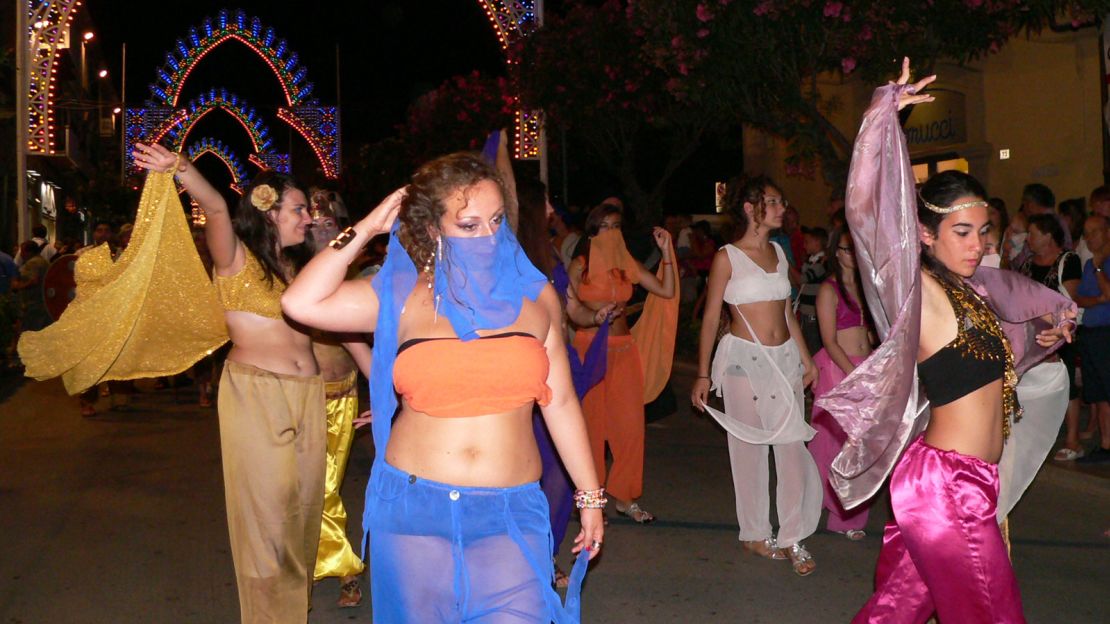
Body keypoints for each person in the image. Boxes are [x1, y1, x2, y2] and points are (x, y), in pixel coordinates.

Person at [281, 152, 604, 622]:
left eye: (496, 220)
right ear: (434, 229)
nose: (490, 237)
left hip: (511, 511)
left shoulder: (536, 297)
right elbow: (300, 302)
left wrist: (589, 495)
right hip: (415, 509)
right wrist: (368, 227)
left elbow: (562, 403)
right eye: (469, 226)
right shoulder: (401, 294)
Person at [818, 60, 1075, 623]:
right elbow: (865, 210)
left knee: (895, 610)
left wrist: (1043, 334)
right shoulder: (920, 293)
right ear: (925, 235)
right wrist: (883, 114)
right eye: (961, 232)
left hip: (969, 482)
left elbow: (996, 371)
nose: (975, 243)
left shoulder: (975, 296)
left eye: (983, 231)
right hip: (946, 486)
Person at [132, 143, 323, 623]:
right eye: (299, 209)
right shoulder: (233, 257)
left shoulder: (298, 268)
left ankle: (292, 614)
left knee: (303, 517)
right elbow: (216, 205)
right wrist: (181, 167)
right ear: (267, 208)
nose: (308, 217)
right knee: (267, 522)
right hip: (256, 393)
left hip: (309, 396)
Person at [691, 175, 821, 576]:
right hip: (742, 361)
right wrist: (700, 374)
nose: (782, 208)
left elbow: (787, 314)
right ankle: (754, 532)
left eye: (781, 201)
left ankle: (793, 535)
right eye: (773, 201)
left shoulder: (780, 254)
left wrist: (806, 359)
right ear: (750, 208)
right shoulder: (727, 257)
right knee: (747, 449)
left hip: (783, 360)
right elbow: (712, 316)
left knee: (791, 448)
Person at [569, 201, 678, 524]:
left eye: (617, 226)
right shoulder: (580, 265)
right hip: (591, 349)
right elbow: (569, 310)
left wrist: (667, 250)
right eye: (606, 226)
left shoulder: (625, 263)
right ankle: (592, 497)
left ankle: (626, 497)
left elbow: (667, 289)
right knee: (591, 427)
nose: (612, 233)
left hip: (625, 349)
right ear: (593, 231)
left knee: (630, 427)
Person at [808, 227, 874, 541]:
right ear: (837, 252)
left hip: (865, 366)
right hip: (839, 367)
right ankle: (825, 503)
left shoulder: (866, 288)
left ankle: (849, 514)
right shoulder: (828, 290)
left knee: (860, 445)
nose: (852, 255)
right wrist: (853, 373)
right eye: (846, 249)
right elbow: (829, 340)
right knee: (832, 443)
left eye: (855, 249)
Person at [1013, 215, 1083, 462]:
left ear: (1048, 236)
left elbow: (1069, 297)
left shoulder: (1068, 259)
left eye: (1033, 234)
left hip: (1060, 330)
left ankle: (1073, 438)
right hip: (1032, 332)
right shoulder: (1029, 263)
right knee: (1032, 381)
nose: (1028, 239)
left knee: (1066, 384)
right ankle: (1036, 437)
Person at [1074, 214, 1110, 464]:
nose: (1089, 238)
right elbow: (1080, 299)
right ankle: (1106, 445)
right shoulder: (1089, 265)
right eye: (1086, 233)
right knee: (1098, 392)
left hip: (1106, 332)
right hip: (1091, 332)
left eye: (1095, 231)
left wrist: (1098, 269)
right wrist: (1098, 299)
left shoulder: (1099, 264)